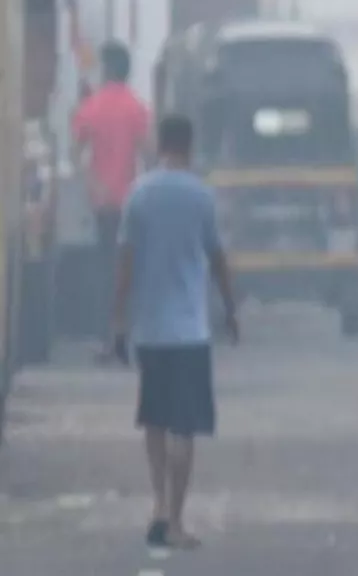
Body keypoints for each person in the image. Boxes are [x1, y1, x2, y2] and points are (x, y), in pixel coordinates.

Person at [110, 114, 238, 551]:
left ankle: (160, 505)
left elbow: (125, 264)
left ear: (160, 144)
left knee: (156, 420)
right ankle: (177, 521)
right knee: (185, 426)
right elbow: (217, 259)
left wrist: (118, 321)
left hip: (150, 330)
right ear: (190, 144)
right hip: (189, 331)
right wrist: (232, 311)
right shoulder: (201, 196)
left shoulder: (139, 195)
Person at [73, 40, 152, 361]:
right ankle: (131, 338)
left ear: (107, 69)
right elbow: (149, 153)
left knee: (105, 271)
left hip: (103, 204)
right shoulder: (137, 108)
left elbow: (76, 154)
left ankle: (109, 341)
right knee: (132, 270)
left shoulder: (91, 108)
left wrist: (95, 184)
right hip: (132, 202)